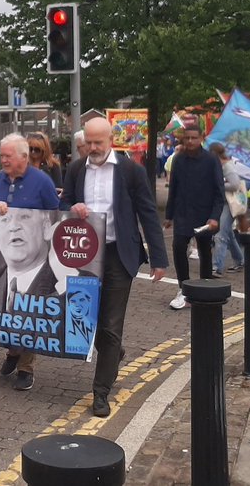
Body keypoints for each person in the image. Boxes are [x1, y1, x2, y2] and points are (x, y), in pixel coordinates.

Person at [61, 117, 168, 418]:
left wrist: (159, 259)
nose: (92, 148)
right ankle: (114, 351)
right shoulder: (75, 169)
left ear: (111, 139)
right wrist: (72, 208)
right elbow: (64, 202)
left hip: (119, 255)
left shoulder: (131, 171)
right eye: (88, 143)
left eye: (99, 142)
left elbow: (148, 213)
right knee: (82, 317)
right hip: (83, 255)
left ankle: (101, 392)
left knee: (110, 323)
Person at [0, 133, 61, 391]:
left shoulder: (42, 182)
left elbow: (55, 214)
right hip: (2, 257)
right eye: (1, 155)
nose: (2, 159)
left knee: (29, 311)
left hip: (34, 257)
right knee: (5, 308)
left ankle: (26, 366)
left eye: (7, 156)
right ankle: (12, 352)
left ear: (24, 157)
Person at [164, 127, 225, 308]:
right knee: (178, 247)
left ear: (202, 138)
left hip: (204, 214)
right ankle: (183, 288)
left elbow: (219, 192)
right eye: (187, 138)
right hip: (183, 213)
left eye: (194, 138)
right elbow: (173, 188)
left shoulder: (211, 160)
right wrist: (169, 215)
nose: (190, 141)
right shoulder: (179, 159)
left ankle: (204, 287)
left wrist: (214, 217)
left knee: (205, 250)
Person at [209, 142, 244, 275]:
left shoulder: (227, 167)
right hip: (223, 202)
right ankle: (240, 260)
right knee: (227, 233)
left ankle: (217, 267)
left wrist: (219, 185)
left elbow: (235, 185)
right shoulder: (219, 165)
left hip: (228, 204)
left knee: (221, 235)